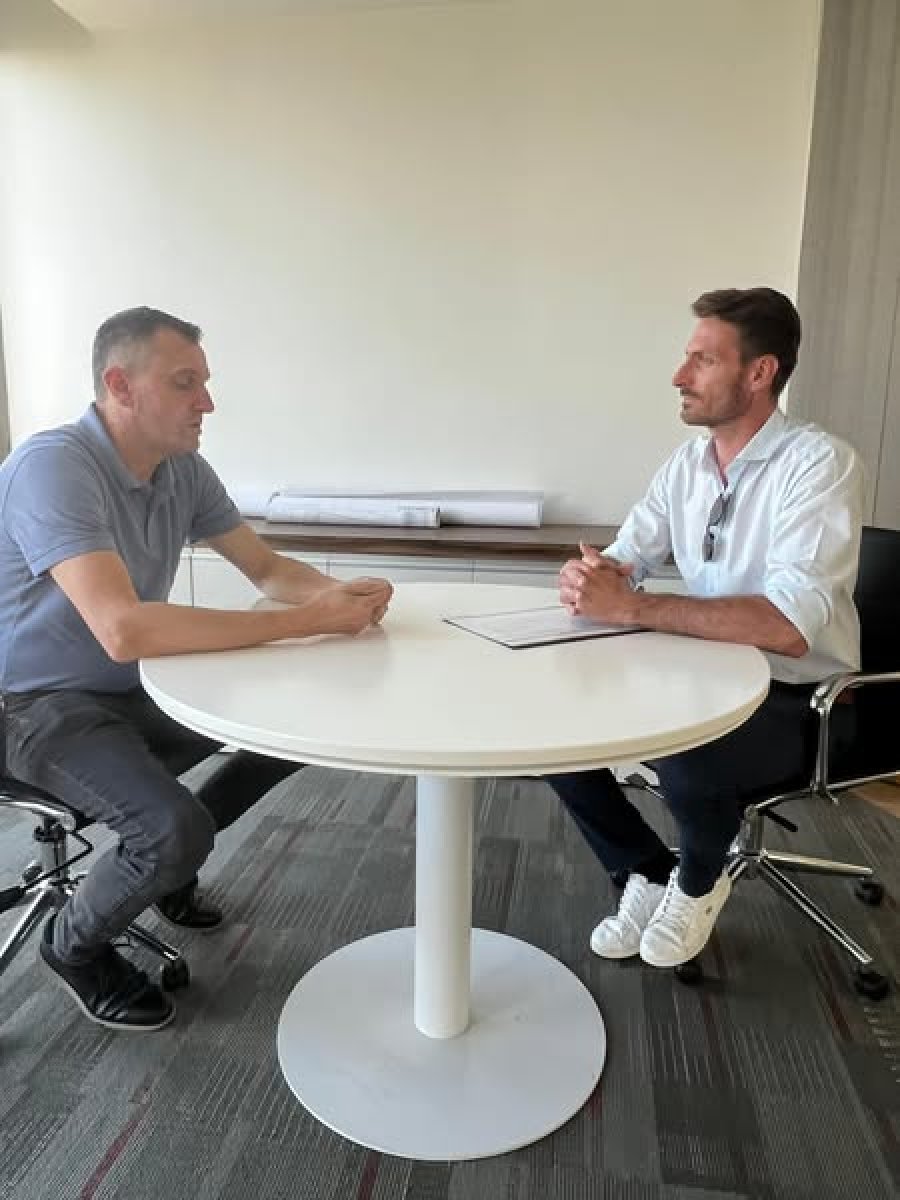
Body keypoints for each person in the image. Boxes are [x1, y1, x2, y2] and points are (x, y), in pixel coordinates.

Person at [0, 306, 393, 1031]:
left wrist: (340, 597)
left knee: (281, 735)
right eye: (186, 383)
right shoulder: (53, 467)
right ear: (120, 384)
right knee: (173, 827)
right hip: (32, 706)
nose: (207, 403)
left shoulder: (182, 469)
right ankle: (74, 944)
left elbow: (268, 568)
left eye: (204, 383)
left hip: (135, 685)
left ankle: (165, 871)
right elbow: (122, 628)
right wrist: (307, 621)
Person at [548, 287, 864, 969]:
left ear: (760, 373)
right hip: (705, 673)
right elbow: (625, 561)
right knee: (553, 727)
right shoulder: (685, 467)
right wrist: (593, 579)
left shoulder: (819, 464)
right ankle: (645, 869)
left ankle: (697, 879)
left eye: (702, 359)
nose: (679, 376)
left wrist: (629, 607)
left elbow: (786, 626)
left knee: (690, 756)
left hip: (804, 700)